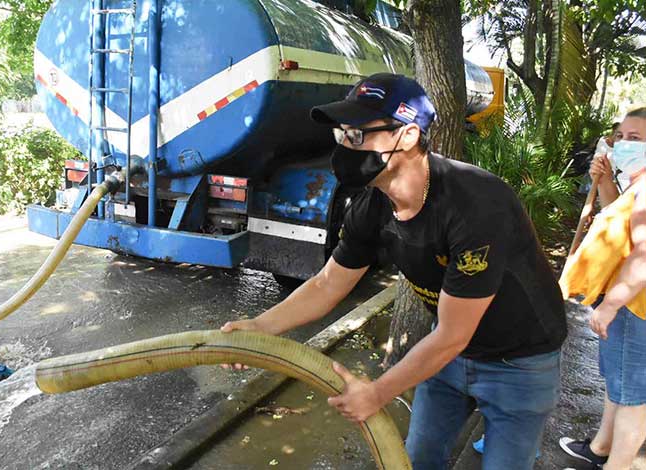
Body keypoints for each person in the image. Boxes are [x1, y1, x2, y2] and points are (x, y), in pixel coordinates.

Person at [221, 73, 568, 469]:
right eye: (342, 135)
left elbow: (454, 334)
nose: (345, 147)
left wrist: (379, 391)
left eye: (358, 135)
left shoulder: (476, 206)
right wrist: (261, 327)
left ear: (406, 136)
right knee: (417, 458)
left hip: (520, 363)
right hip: (446, 355)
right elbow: (328, 282)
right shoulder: (372, 207)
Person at [559, 107, 646, 470]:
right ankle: (601, 448)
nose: (624, 144)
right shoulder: (637, 184)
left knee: (633, 400)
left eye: (636, 138)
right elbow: (618, 224)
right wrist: (608, 180)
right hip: (630, 304)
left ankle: (618, 464)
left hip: (635, 306)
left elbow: (643, 253)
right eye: (621, 137)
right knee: (621, 384)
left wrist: (610, 305)